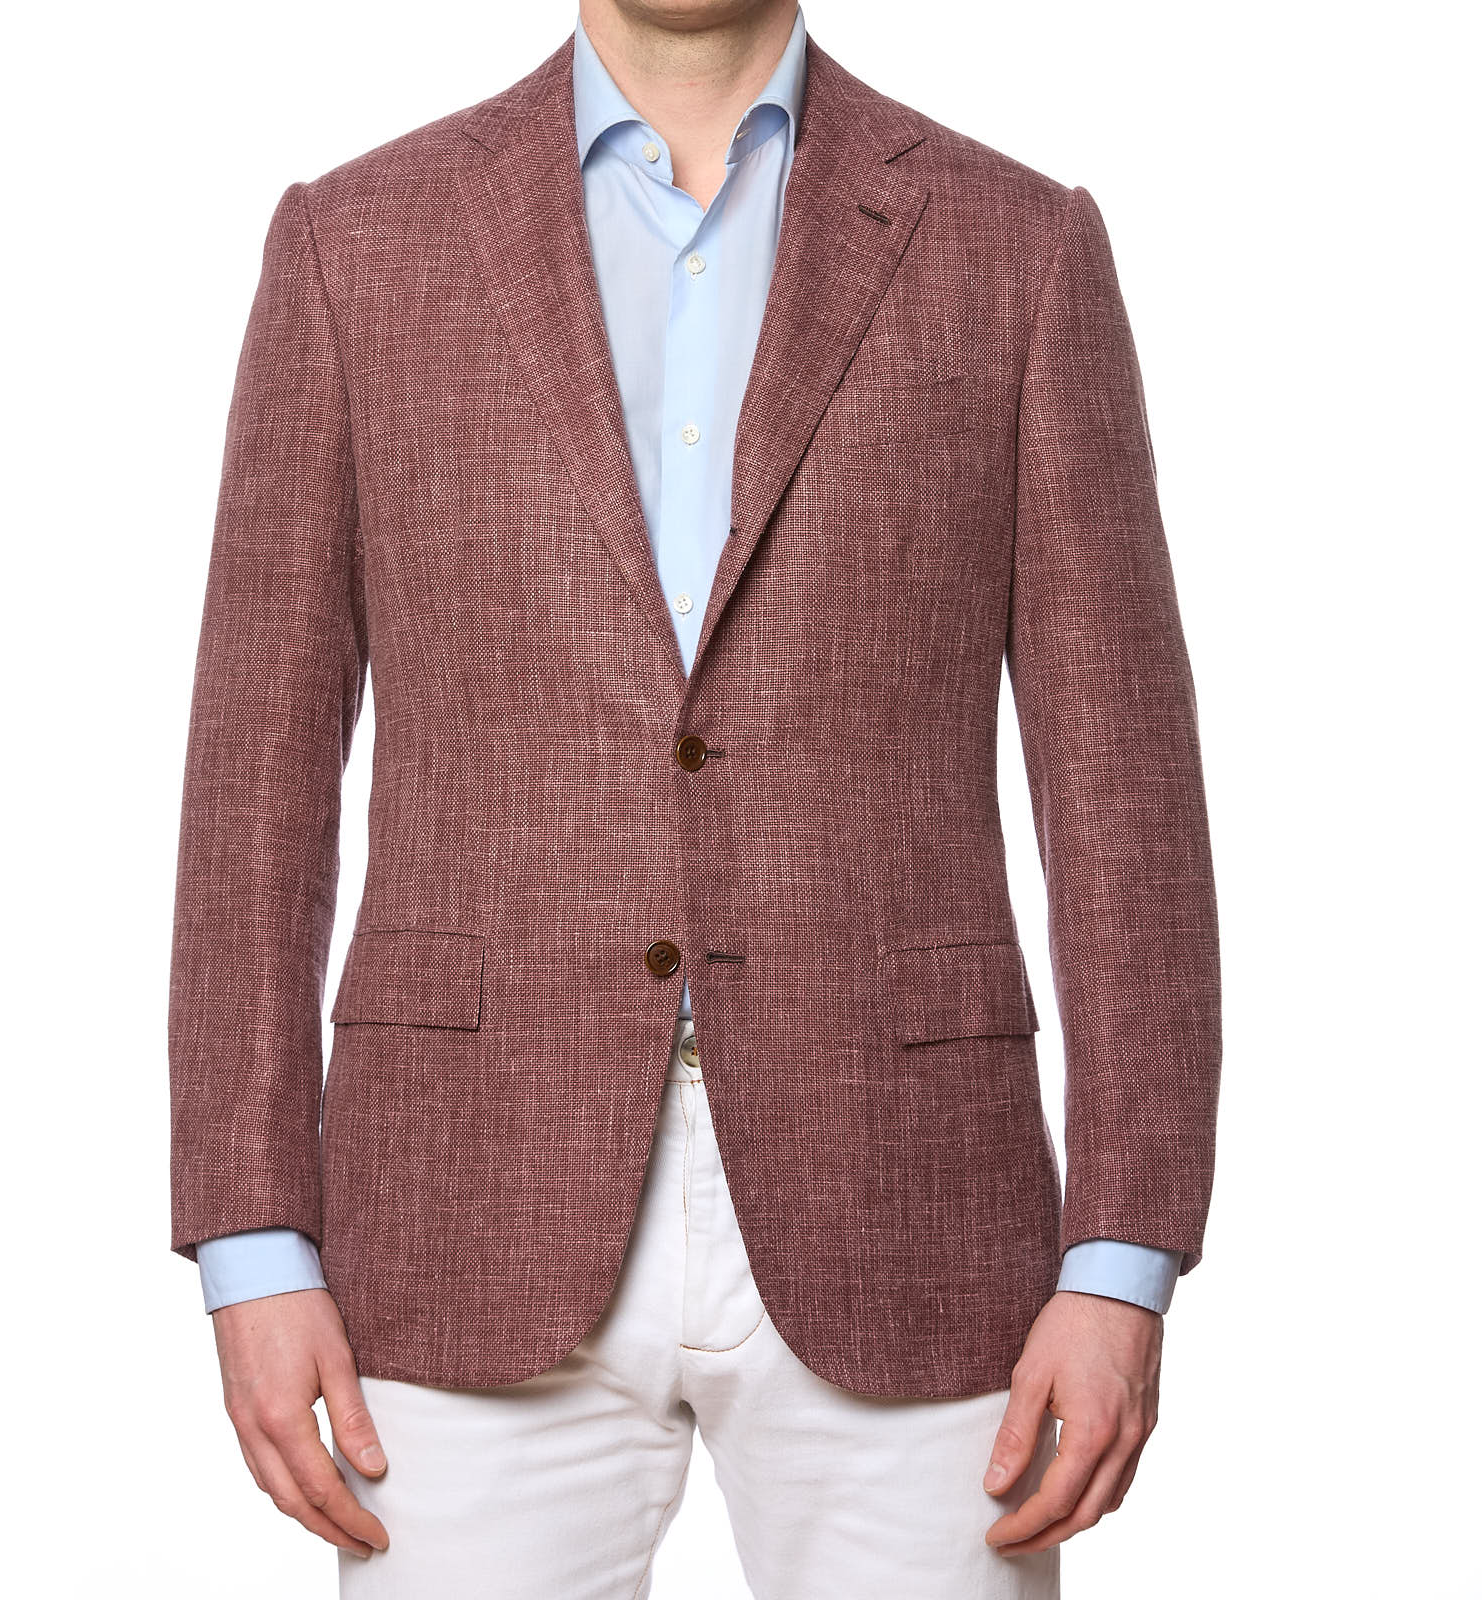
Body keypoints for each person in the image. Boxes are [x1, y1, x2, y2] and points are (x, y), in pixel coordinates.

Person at [168, 2, 1221, 1594]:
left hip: (913, 1208)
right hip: (465, 1197)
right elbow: (254, 771)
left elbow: (1126, 788)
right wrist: (249, 1239)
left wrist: (1125, 1256)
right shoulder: (358, 242)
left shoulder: (1018, 246)